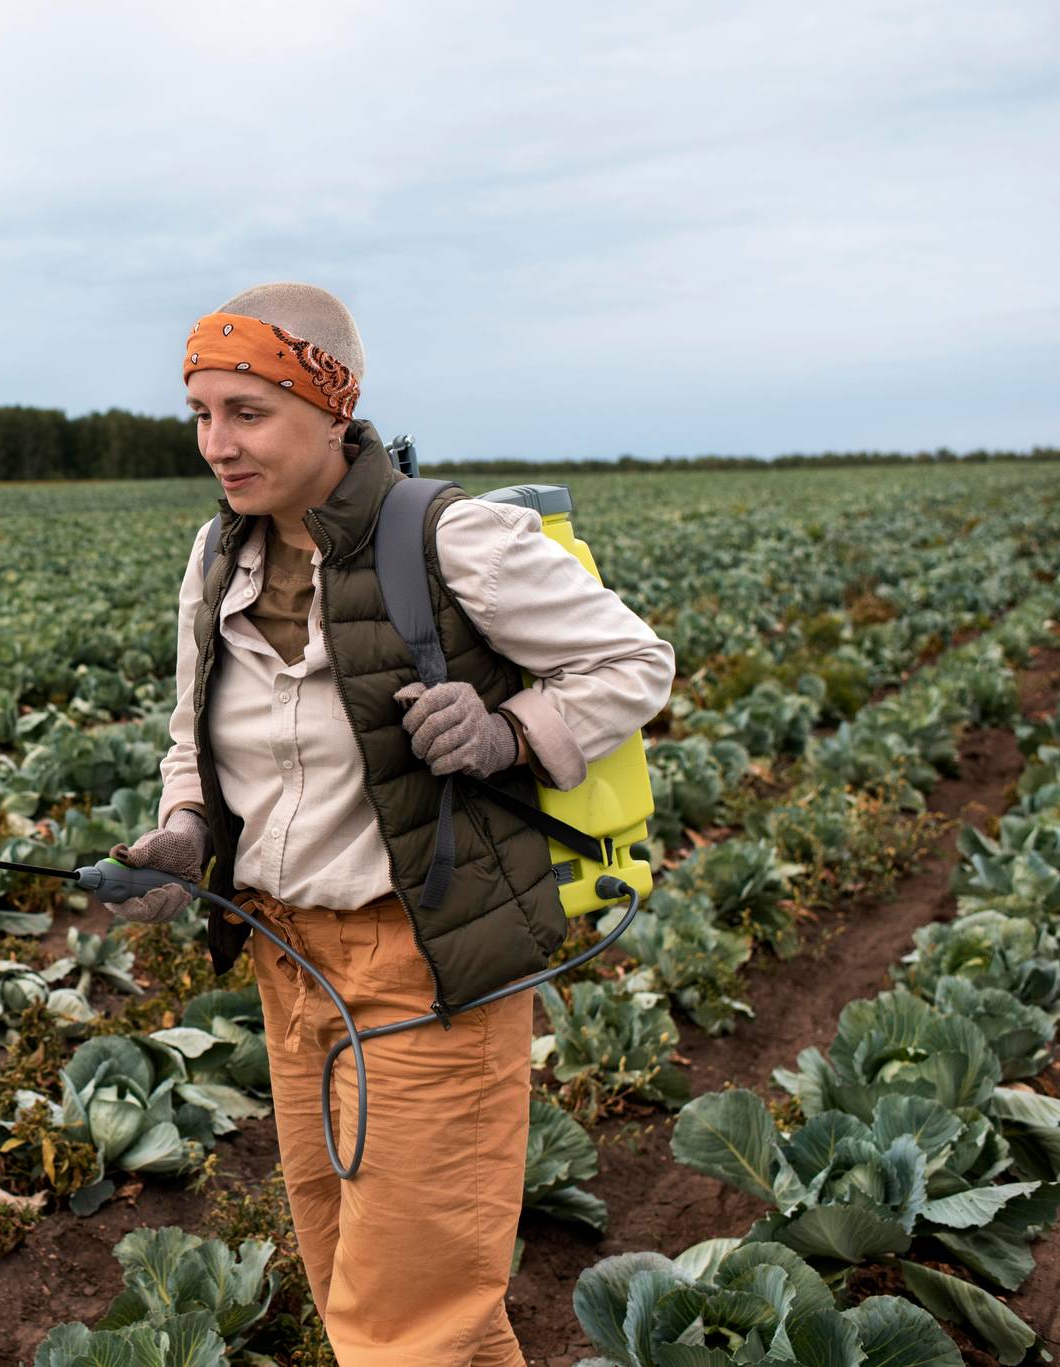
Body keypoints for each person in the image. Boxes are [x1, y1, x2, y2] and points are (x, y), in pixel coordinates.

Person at [107, 282, 675, 1365]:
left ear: (332, 407)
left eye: (246, 410)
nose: (216, 443)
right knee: (355, 1283)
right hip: (287, 961)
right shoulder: (215, 556)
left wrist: (509, 728)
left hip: (423, 966)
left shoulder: (456, 539)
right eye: (199, 413)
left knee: (401, 1322)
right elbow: (193, 733)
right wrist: (185, 829)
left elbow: (635, 661)